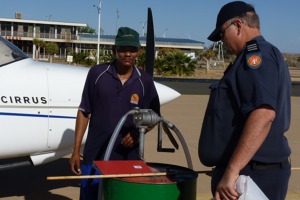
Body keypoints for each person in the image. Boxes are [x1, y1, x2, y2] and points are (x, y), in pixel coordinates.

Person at [198, 1, 291, 200]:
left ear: (238, 26)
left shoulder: (255, 56)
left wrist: (232, 170)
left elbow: (263, 114)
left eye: (222, 34)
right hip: (246, 171)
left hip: (250, 176)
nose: (222, 41)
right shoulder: (260, 55)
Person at [69, 27, 160, 200]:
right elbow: (84, 112)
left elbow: (154, 117)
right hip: (95, 156)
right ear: (114, 50)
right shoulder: (97, 74)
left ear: (138, 51)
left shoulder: (145, 81)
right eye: (123, 49)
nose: (128, 54)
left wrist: (138, 134)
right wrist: (75, 151)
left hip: (128, 158)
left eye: (132, 50)